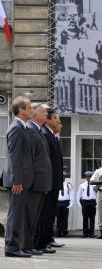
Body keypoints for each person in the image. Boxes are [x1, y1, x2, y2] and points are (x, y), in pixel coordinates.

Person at [3, 97, 34, 258]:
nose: (32, 110)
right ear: (21, 110)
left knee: (18, 214)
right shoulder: (16, 128)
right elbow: (14, 156)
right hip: (18, 181)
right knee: (15, 214)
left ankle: (16, 246)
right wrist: (18, 180)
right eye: (29, 108)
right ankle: (11, 247)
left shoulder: (23, 127)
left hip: (22, 180)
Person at [26, 103, 53, 254]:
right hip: (35, 182)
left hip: (42, 182)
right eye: (43, 112)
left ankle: (31, 245)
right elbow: (30, 159)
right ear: (35, 114)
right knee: (30, 217)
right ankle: (30, 245)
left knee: (35, 217)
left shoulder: (39, 130)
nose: (45, 115)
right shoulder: (30, 130)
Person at [36, 108, 65, 250]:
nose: (59, 123)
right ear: (47, 120)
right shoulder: (45, 134)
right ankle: (44, 240)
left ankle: (48, 238)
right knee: (45, 213)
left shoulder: (52, 136)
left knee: (50, 213)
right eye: (56, 119)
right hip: (49, 182)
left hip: (55, 182)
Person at [77, 171, 97, 238]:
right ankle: (85, 233)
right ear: (85, 177)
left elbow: (98, 194)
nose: (88, 178)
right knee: (85, 218)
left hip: (92, 202)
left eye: (90, 176)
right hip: (85, 202)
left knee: (92, 218)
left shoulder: (95, 185)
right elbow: (78, 195)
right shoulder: (82, 185)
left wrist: (96, 204)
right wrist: (79, 204)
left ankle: (91, 233)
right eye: (87, 176)